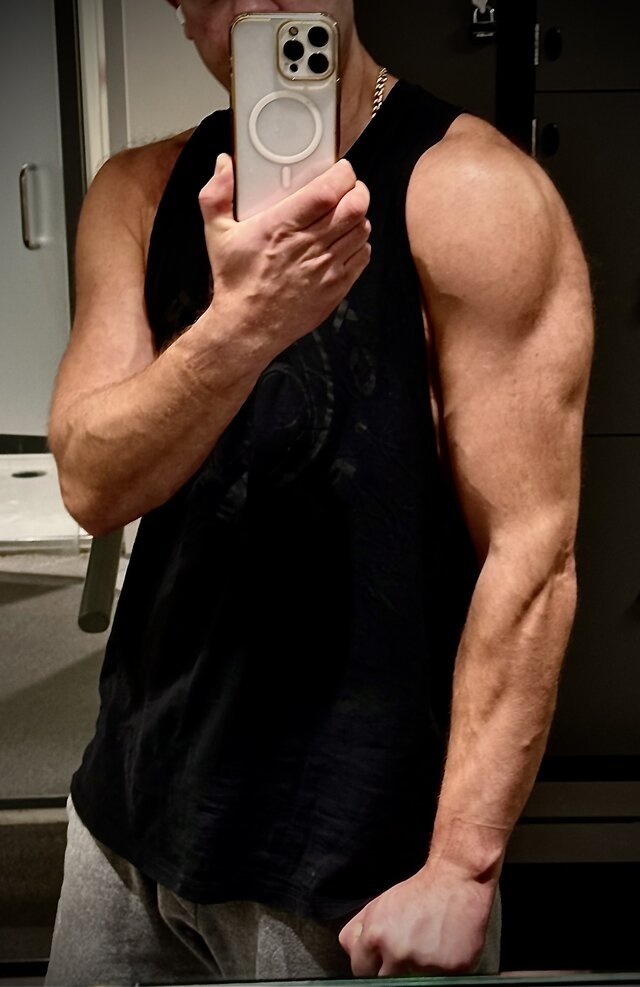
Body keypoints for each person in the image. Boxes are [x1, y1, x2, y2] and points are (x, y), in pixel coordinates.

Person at [45, 1, 594, 984]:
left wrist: (461, 867)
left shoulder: (472, 193)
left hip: (354, 861)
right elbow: (92, 482)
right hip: (128, 818)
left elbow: (532, 552)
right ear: (180, 11)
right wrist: (243, 327)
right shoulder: (137, 192)